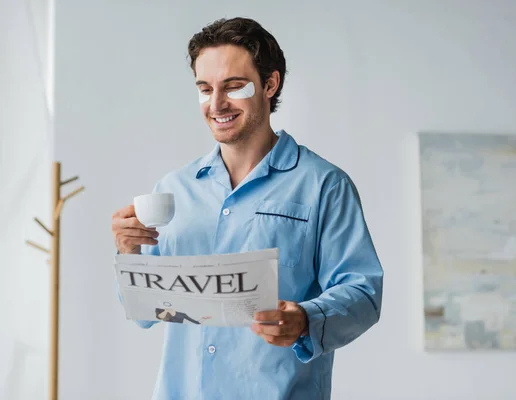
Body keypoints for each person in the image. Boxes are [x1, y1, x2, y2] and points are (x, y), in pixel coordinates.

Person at [111, 16, 383, 400]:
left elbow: (364, 292)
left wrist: (306, 320)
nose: (216, 103)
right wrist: (129, 254)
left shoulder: (325, 186)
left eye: (234, 86)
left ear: (269, 84)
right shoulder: (173, 189)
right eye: (205, 89)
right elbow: (143, 314)